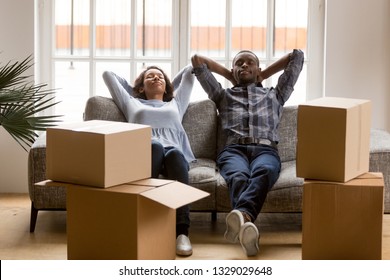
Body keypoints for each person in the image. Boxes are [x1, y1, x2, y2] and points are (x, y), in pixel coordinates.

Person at [191, 49, 304, 256]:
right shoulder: (222, 95)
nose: (244, 66)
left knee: (265, 171)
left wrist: (264, 74)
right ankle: (248, 224)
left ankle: (243, 218)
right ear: (234, 69)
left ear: (257, 68)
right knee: (238, 176)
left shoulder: (276, 94)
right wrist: (229, 74)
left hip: (265, 149)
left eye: (249, 62)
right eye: (239, 63)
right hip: (233, 150)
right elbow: (197, 61)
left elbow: (297, 57)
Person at [102, 65, 196, 256]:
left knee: (175, 154)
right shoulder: (131, 102)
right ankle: (142, 224)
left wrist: (168, 84)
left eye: (160, 77)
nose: (156, 78)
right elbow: (108, 74)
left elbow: (190, 71)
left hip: (173, 152)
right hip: (144, 152)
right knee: (156, 146)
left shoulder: (176, 103)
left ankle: (181, 233)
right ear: (140, 88)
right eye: (150, 77)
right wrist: (136, 90)